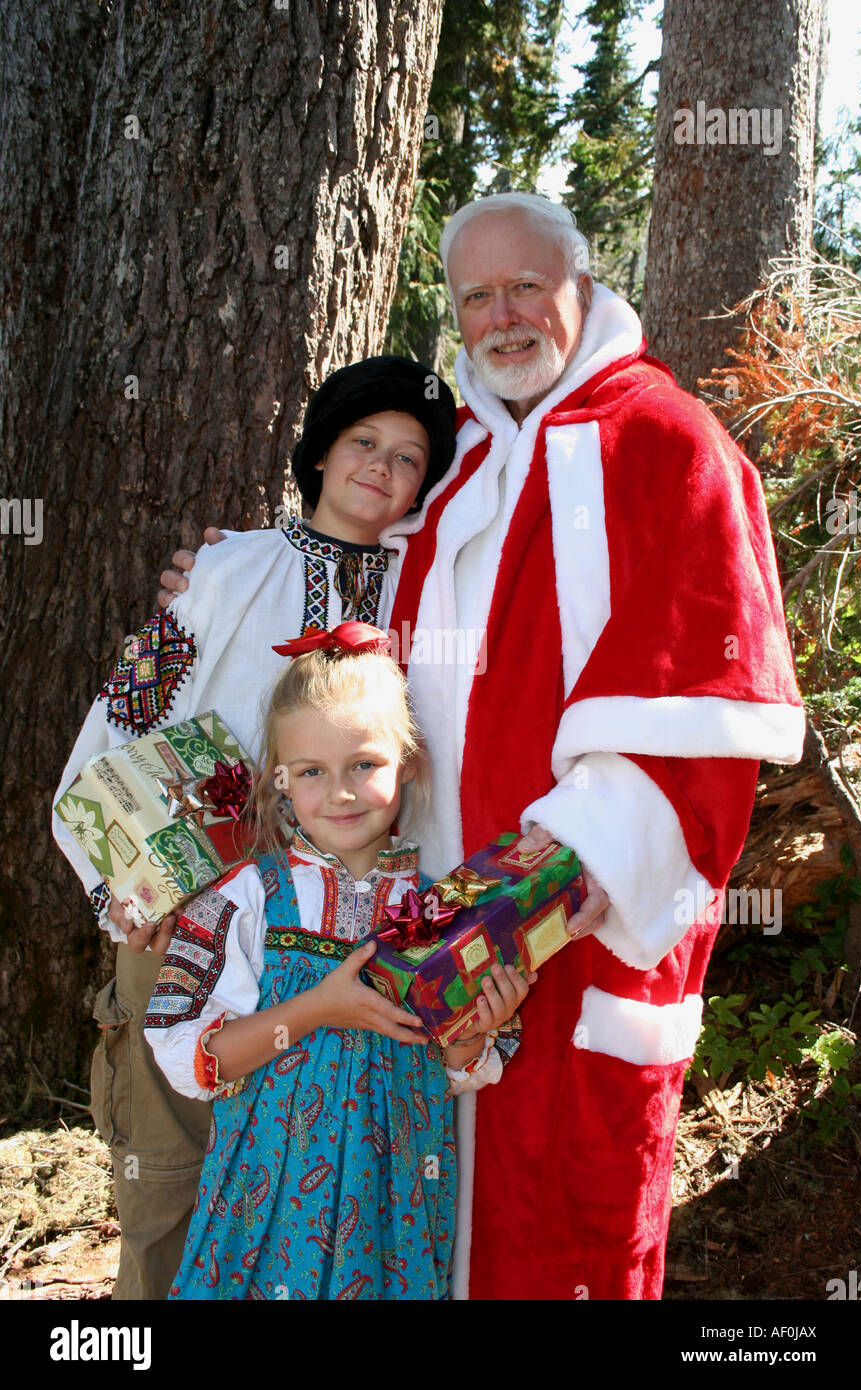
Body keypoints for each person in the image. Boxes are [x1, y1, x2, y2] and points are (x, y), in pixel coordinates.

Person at [160, 192, 805, 1301]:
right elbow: (332, 629)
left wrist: (513, 908)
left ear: (585, 288)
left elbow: (700, 726)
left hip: (566, 942)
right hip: (394, 939)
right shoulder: (450, 471)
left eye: (525, 288)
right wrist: (218, 576)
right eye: (474, 297)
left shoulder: (668, 445)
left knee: (561, 1229)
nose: (500, 316)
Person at [51, 357, 459, 1299]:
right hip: (193, 918)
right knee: (171, 1181)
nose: (382, 469)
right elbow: (123, 717)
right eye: (363, 442)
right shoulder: (231, 570)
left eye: (408, 457)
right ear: (320, 454)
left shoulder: (427, 593)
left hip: (353, 939)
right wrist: (125, 883)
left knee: (337, 1198)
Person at [143, 622, 529, 1299]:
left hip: (396, 1208)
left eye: (364, 765)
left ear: (406, 762)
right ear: (279, 779)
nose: (341, 793)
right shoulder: (249, 897)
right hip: (266, 1201)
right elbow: (190, 1057)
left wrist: (474, 1034)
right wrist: (318, 1007)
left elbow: (453, 1067)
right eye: (313, 772)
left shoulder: (440, 909)